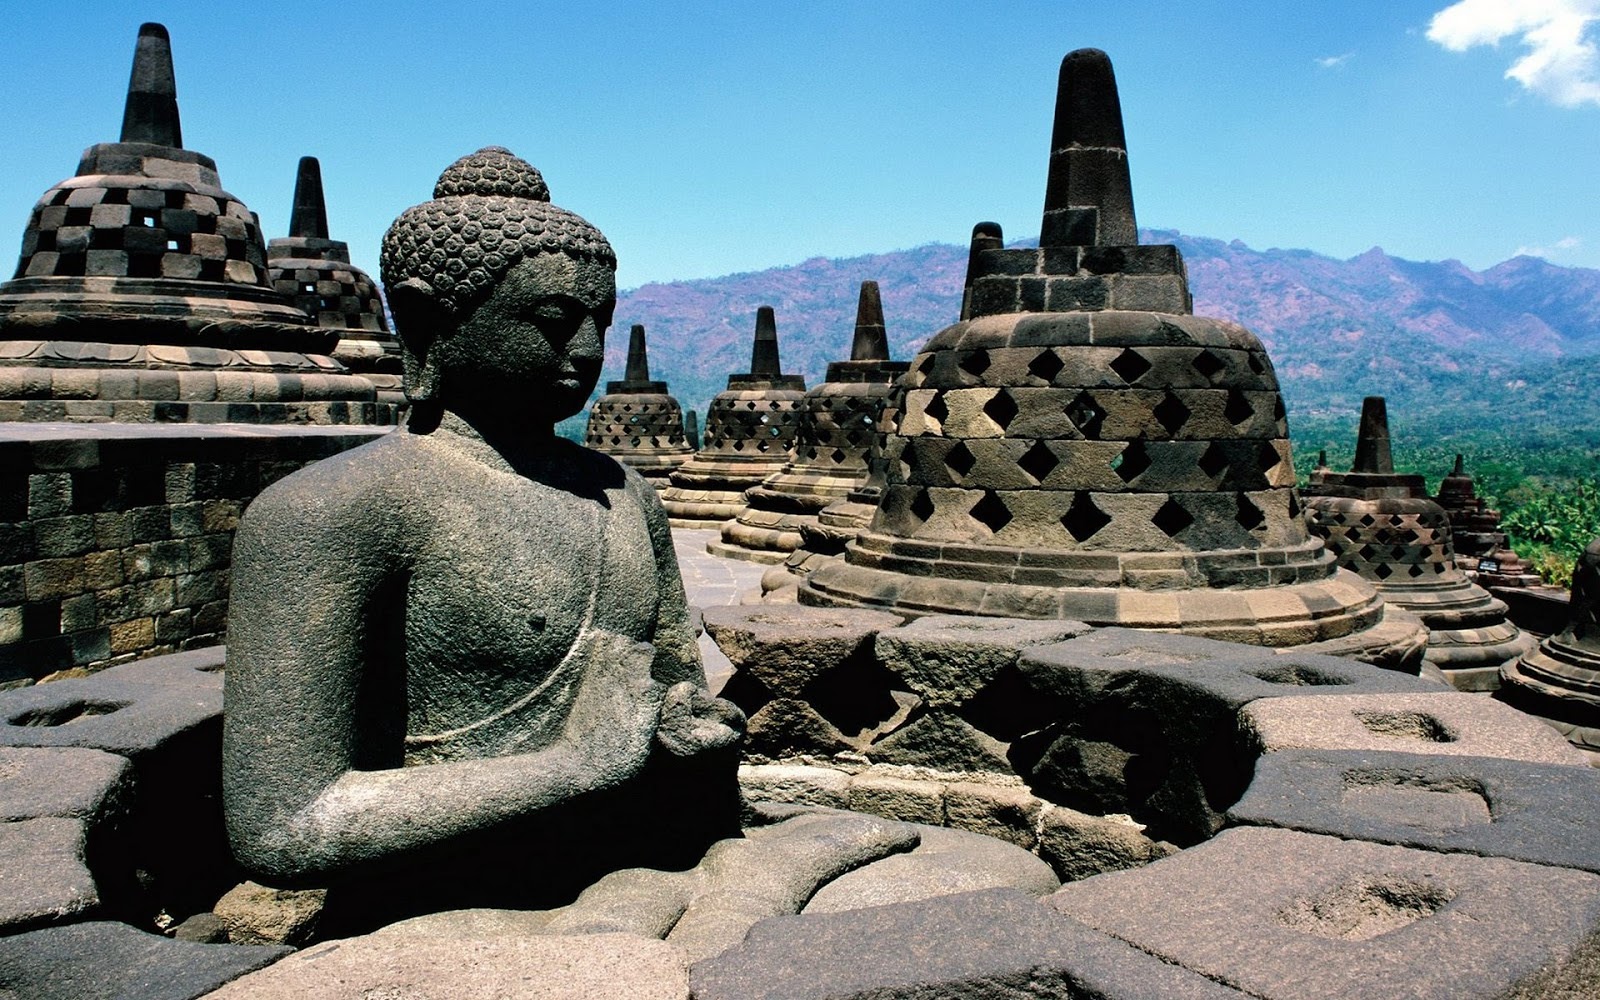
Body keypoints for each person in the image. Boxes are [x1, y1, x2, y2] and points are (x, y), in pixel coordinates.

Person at [221, 148, 742, 896]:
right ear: (431, 320)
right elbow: (282, 824)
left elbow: (667, 699)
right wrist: (573, 765)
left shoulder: (624, 493)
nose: (589, 349)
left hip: (636, 866)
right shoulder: (333, 509)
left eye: (602, 319)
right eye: (556, 320)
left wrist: (687, 732)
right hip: (438, 903)